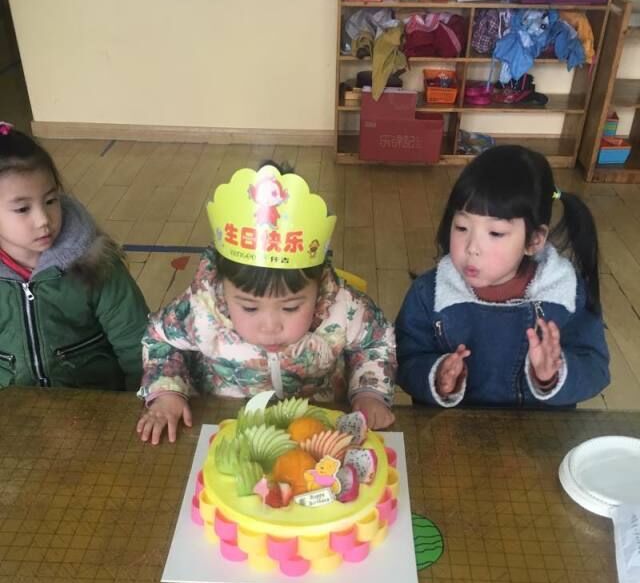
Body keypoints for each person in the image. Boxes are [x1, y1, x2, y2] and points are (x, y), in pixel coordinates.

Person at [137, 163, 396, 444]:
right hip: (228, 423)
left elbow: (376, 340)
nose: (270, 326)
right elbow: (160, 338)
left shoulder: (342, 307)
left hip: (318, 427)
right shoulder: (203, 307)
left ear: (318, 285)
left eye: (291, 307)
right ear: (223, 288)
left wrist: (369, 392)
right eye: (250, 307)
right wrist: (167, 392)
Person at [396, 144, 609, 407]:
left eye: (495, 233)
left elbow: (596, 366)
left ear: (534, 240)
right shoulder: (429, 293)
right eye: (461, 227)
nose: (472, 247)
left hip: (540, 431)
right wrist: (436, 376)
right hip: (449, 429)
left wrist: (552, 376)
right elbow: (403, 357)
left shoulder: (565, 293)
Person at [0, 123, 149, 390]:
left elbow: (136, 340)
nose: (43, 220)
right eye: (22, 209)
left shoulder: (95, 262)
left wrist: (141, 399)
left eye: (50, 201)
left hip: (93, 400)